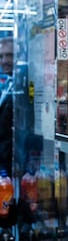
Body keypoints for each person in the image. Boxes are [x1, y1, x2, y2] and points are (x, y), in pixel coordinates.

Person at [0, 37, 14, 173]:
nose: (4, 61)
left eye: (9, 55)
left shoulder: (25, 83)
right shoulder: (8, 83)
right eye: (1, 56)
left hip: (12, 161)